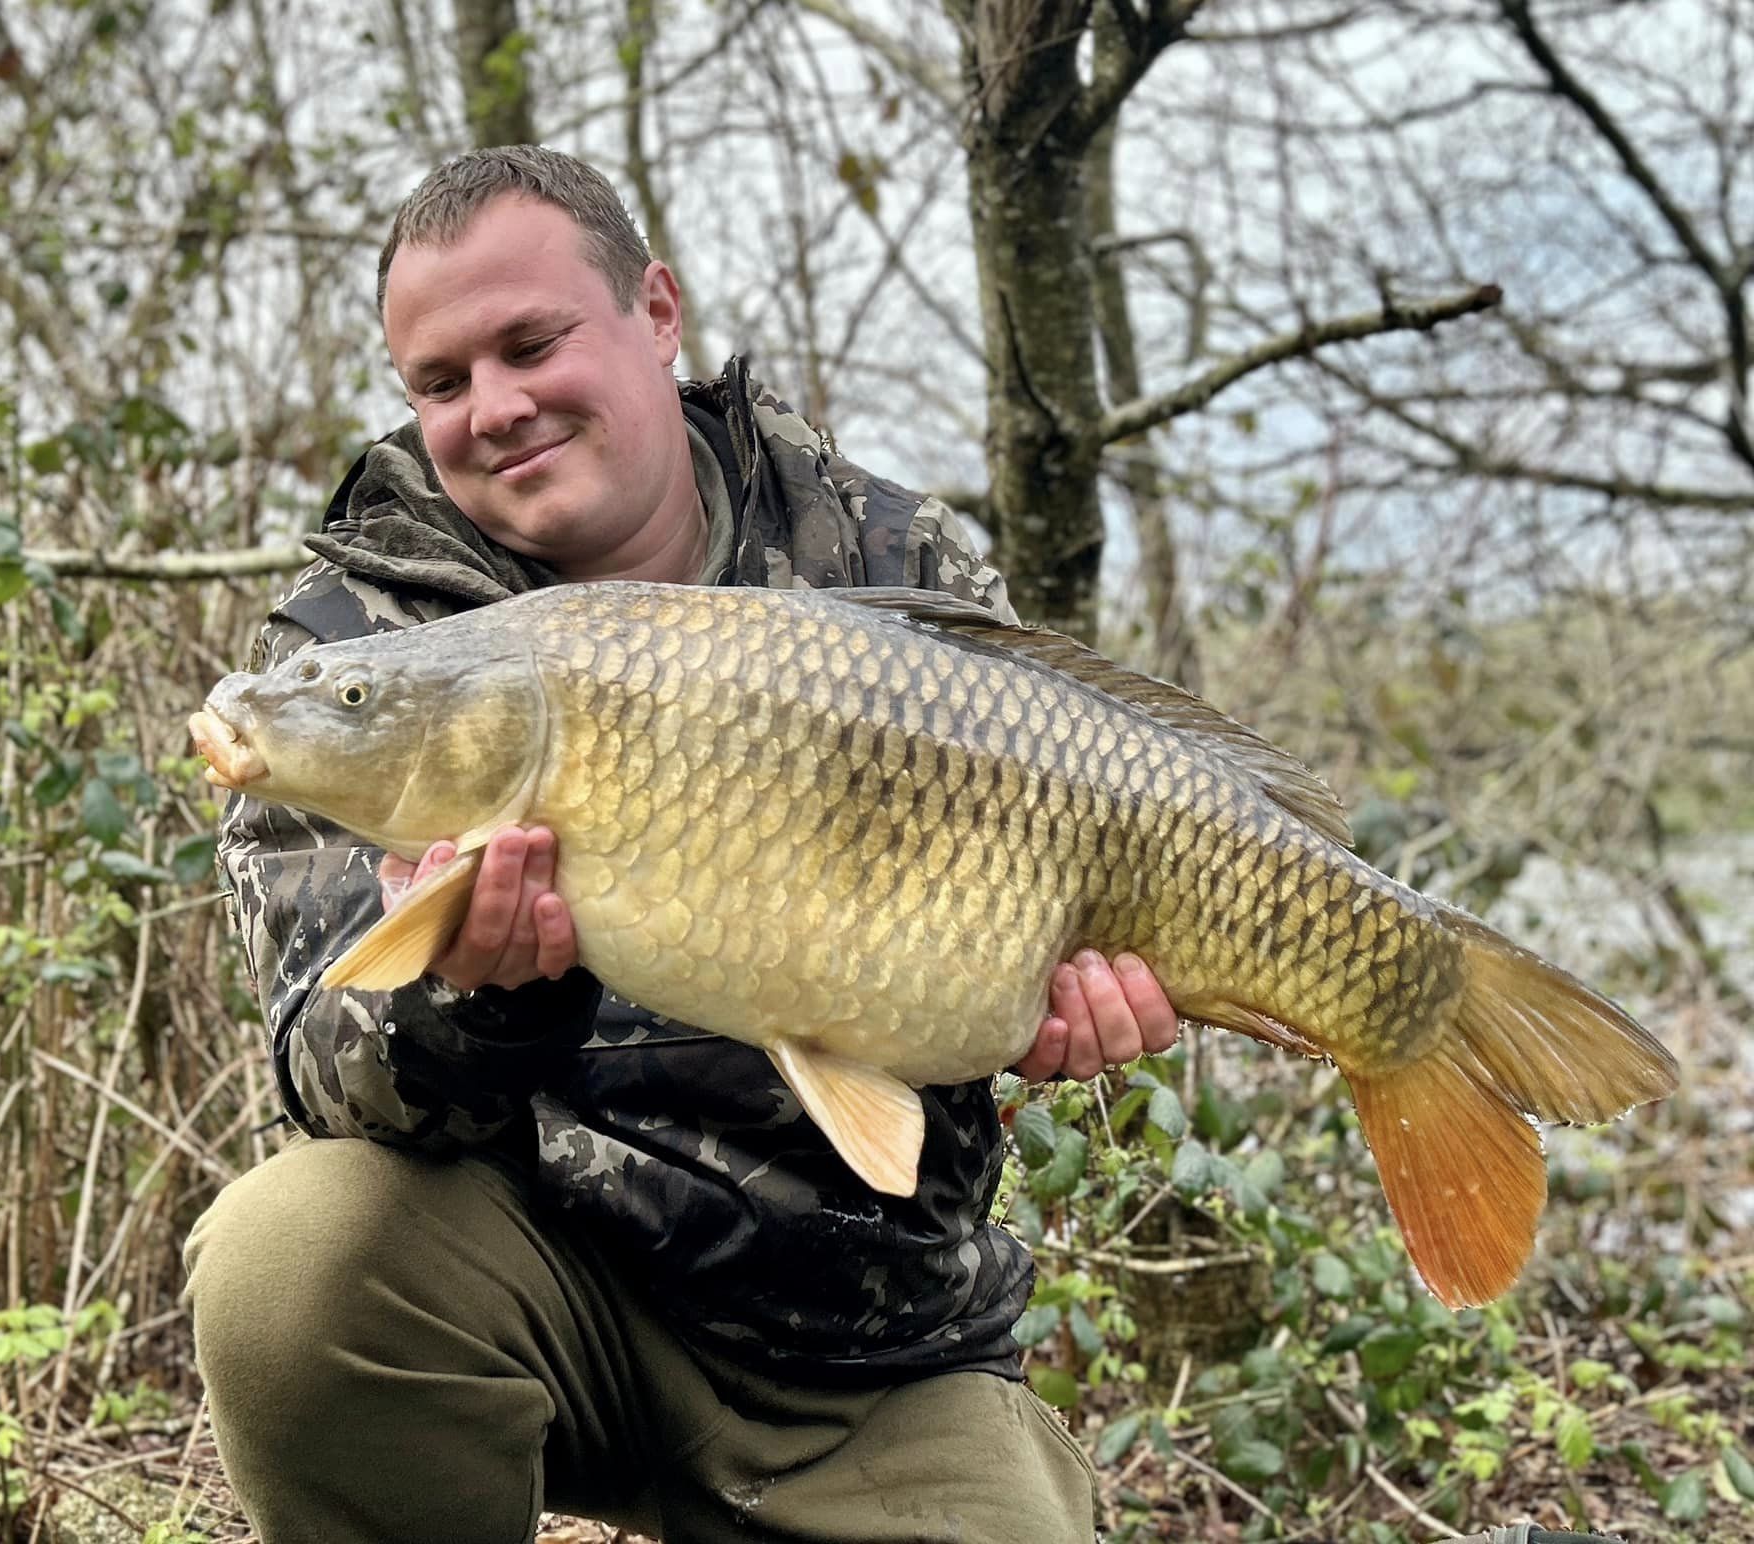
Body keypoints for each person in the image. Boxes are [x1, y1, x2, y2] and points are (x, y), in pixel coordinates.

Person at [184, 146, 1180, 1544]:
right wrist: (478, 999)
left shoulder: (887, 562)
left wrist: (1043, 1004)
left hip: (859, 1341)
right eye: (443, 381)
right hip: (533, 1296)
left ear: (657, 313)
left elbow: (993, 989)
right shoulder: (363, 655)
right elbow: (324, 1077)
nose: (497, 408)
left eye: (532, 344)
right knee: (288, 1260)